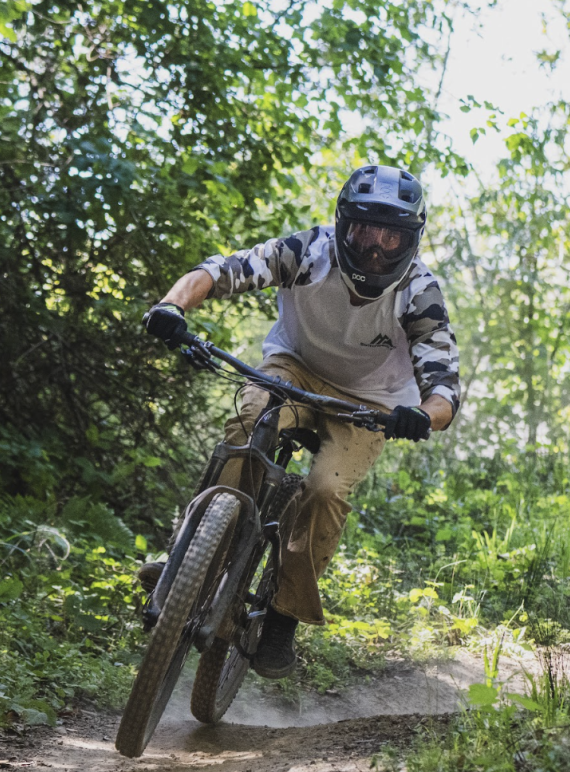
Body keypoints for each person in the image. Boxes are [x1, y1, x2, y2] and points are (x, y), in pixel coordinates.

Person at [141, 165, 461, 678]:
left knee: (327, 489)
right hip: (294, 368)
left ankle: (284, 618)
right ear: (342, 226)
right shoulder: (309, 252)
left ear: (412, 239)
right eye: (364, 232)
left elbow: (444, 384)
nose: (376, 250)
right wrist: (171, 306)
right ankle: (190, 560)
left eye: (391, 237)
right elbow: (221, 270)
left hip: (370, 403)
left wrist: (421, 416)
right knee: (249, 428)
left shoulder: (418, 291)